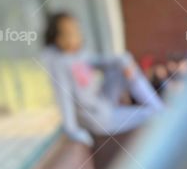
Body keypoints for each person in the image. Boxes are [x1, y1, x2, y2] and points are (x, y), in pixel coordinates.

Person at [42, 12, 164, 147]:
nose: (77, 35)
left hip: (104, 103)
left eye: (77, 30)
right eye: (69, 33)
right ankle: (161, 111)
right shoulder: (59, 63)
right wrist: (72, 130)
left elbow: (105, 61)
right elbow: (64, 97)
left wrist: (125, 60)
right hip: (99, 119)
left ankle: (160, 108)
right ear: (57, 38)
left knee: (123, 64)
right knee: (152, 115)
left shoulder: (79, 55)